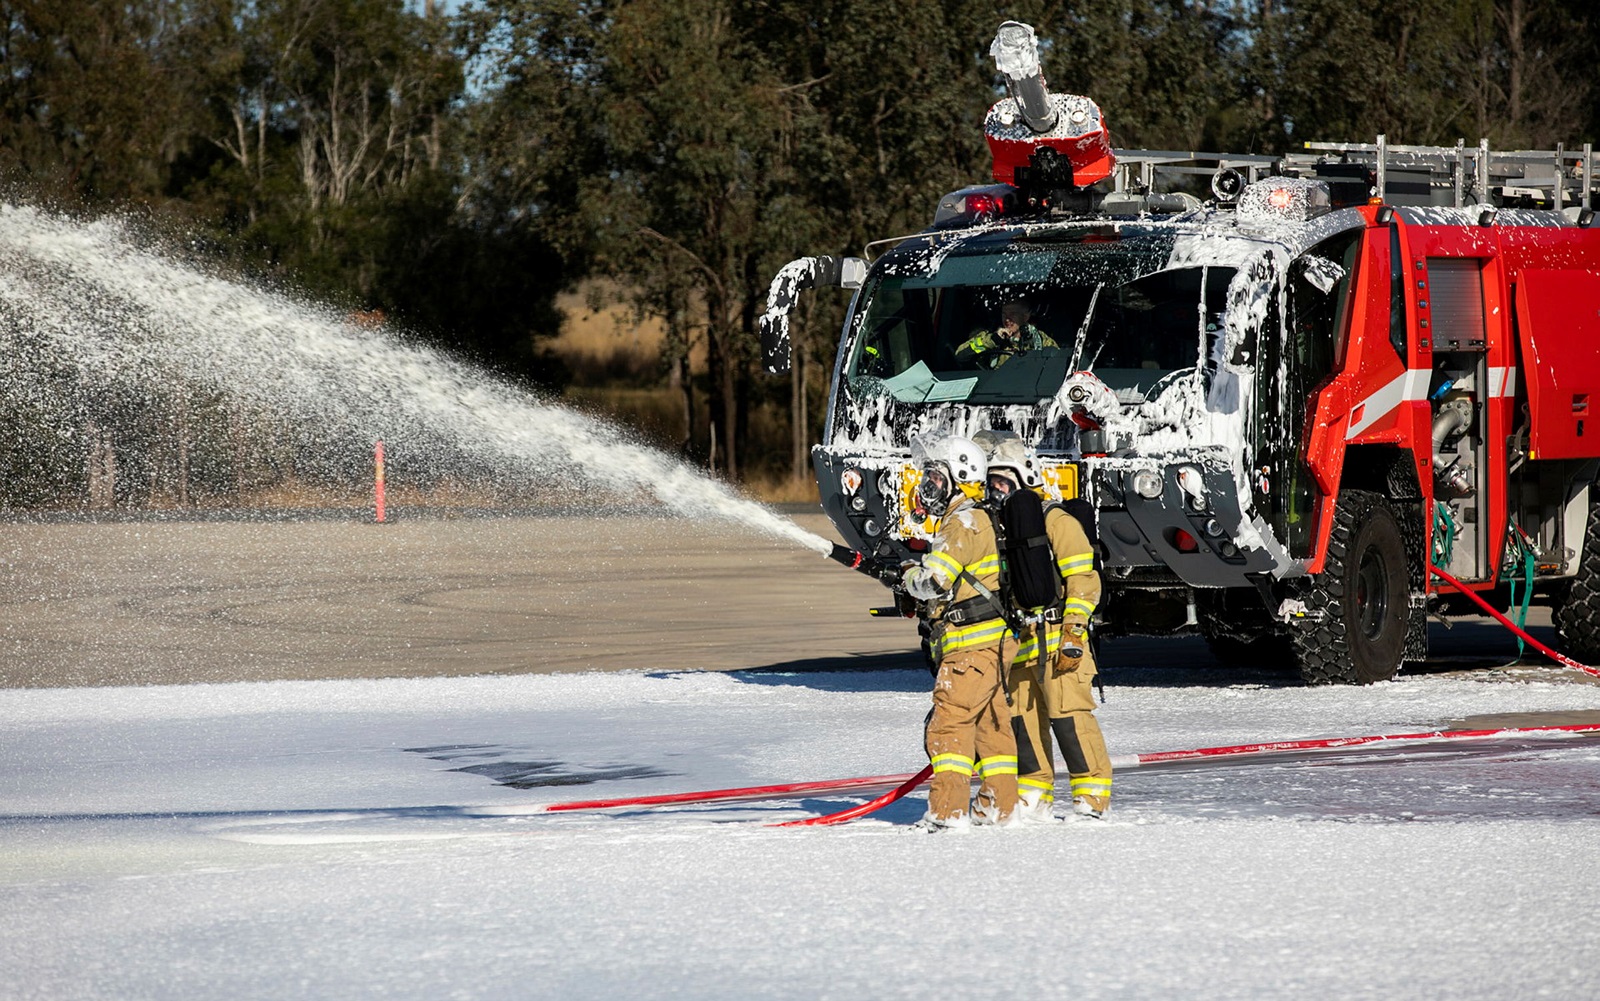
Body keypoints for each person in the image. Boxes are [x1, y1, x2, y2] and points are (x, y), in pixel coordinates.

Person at [976, 430, 1112, 821]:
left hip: (1058, 636)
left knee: (1068, 717)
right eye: (992, 482)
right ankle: (1034, 792)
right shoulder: (999, 531)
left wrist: (1073, 630)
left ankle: (1092, 795)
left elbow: (1084, 577)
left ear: (1025, 478)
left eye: (1003, 481)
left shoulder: (1056, 520)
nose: (997, 490)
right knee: (1022, 720)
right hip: (1021, 641)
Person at [896, 433, 1019, 830]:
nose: (926, 484)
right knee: (991, 729)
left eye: (934, 475)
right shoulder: (980, 517)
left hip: (971, 648)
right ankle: (998, 809)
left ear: (959, 475)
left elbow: (935, 582)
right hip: (993, 646)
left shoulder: (962, 521)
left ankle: (946, 813)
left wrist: (905, 577)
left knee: (949, 723)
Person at [954, 300, 1058, 369]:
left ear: (1025, 316)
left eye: (1013, 314)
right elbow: (960, 356)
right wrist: (992, 340)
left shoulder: (1040, 340)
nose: (1007, 319)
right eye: (1004, 314)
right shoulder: (989, 337)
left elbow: (1057, 364)